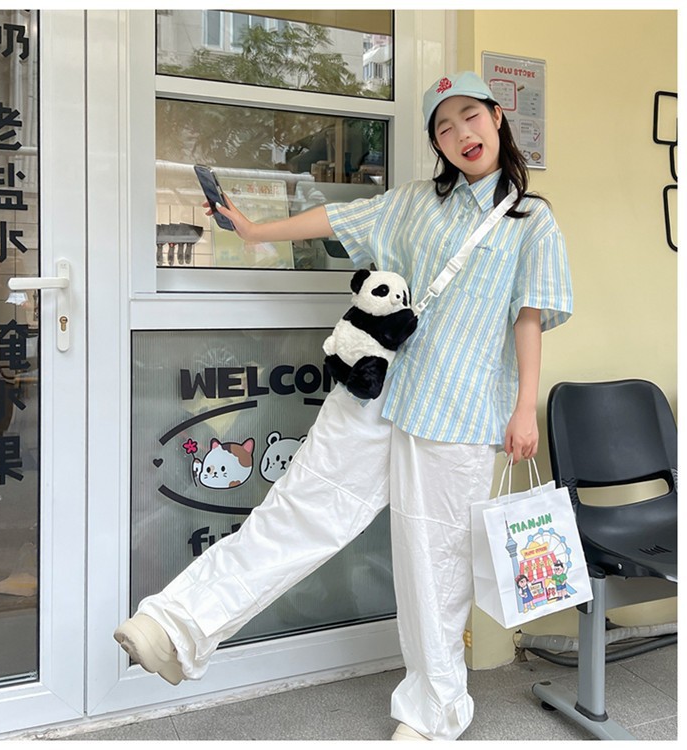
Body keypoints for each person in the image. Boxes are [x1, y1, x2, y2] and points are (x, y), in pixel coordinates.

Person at [114, 71, 573, 741]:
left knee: (435, 565)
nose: (460, 134)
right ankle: (175, 625)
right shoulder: (414, 203)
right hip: (377, 391)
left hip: (461, 410)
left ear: (497, 117)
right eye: (444, 127)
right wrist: (254, 230)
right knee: (297, 510)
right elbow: (337, 219)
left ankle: (433, 713)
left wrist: (525, 407)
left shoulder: (533, 221)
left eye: (470, 116)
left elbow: (528, 317)